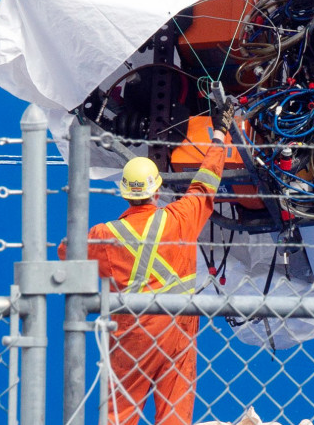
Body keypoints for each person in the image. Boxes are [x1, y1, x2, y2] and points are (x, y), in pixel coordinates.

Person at [60, 98, 235, 425]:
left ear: (125, 193)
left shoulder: (105, 235)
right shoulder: (181, 218)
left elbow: (65, 252)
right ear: (157, 191)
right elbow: (205, 184)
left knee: (119, 413)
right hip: (178, 328)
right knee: (174, 412)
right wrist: (220, 135)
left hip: (133, 333)